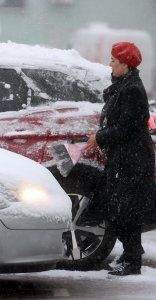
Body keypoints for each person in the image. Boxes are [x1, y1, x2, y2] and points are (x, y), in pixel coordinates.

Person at [84, 41, 155, 276]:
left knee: (127, 210)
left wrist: (99, 137)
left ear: (125, 65)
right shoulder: (124, 85)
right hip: (125, 158)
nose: (110, 64)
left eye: (114, 61)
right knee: (120, 209)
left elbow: (127, 127)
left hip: (133, 160)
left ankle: (133, 260)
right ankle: (130, 255)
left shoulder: (132, 89)